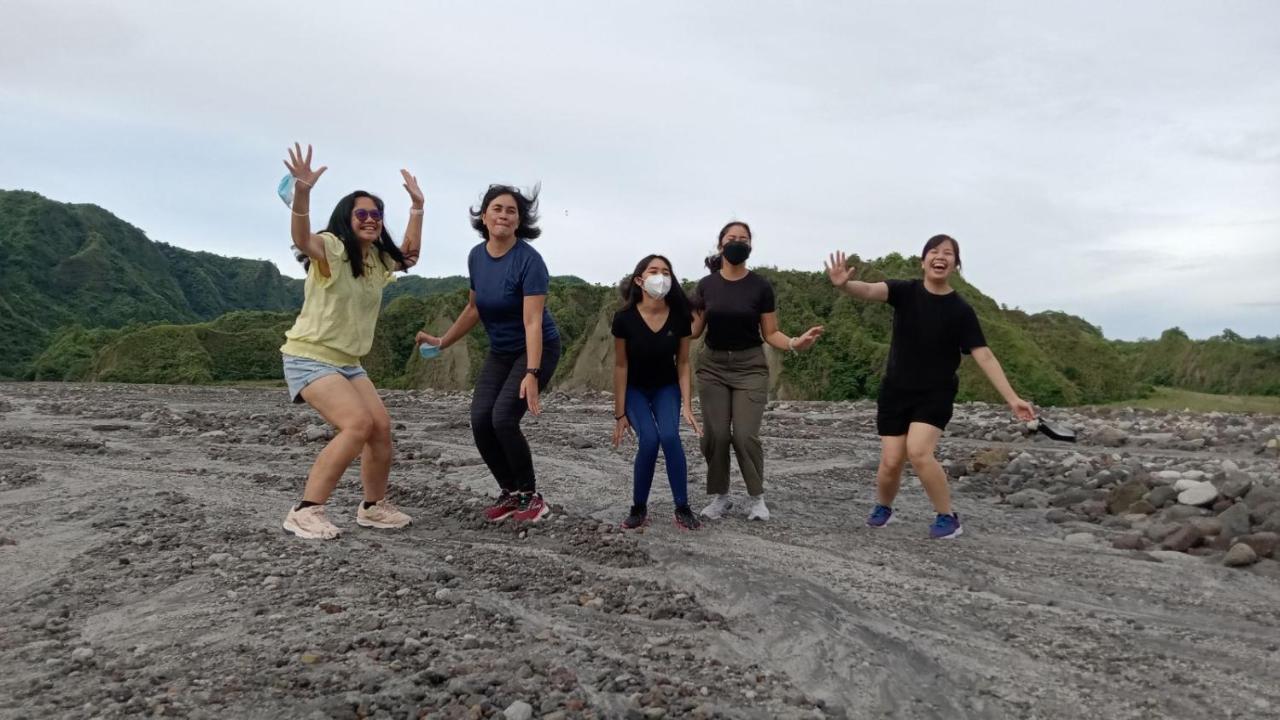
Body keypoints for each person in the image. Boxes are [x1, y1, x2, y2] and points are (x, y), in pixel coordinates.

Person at [824, 235, 1036, 539]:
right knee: (890, 461)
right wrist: (843, 284)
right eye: (934, 252)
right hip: (895, 390)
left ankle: (948, 516)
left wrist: (1012, 398)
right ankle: (884, 507)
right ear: (923, 261)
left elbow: (984, 355)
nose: (941, 257)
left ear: (955, 265)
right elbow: (869, 290)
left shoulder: (960, 310)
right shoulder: (905, 291)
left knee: (919, 452)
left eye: (948, 253)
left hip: (935, 393)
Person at [279, 143, 422, 540]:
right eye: (362, 214)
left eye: (376, 215)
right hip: (309, 357)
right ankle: (306, 510)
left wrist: (417, 209)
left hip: (348, 362)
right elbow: (302, 238)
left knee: (379, 426)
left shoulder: (376, 259)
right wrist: (302, 195)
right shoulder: (334, 248)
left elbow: (409, 255)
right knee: (356, 424)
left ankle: (373, 507)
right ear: (347, 218)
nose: (371, 220)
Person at [415, 185, 560, 523]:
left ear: (519, 220)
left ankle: (531, 497)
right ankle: (510, 493)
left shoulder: (530, 261)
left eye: (511, 211)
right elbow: (473, 308)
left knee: (503, 419)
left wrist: (533, 373)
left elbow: (533, 321)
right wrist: (442, 341)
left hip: (535, 347)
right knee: (481, 421)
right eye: (497, 208)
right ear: (484, 216)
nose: (504, 215)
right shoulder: (476, 256)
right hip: (501, 350)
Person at [691, 221, 824, 521]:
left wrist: (793, 343)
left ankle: (756, 498)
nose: (737, 242)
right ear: (720, 244)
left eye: (743, 239)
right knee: (716, 435)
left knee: (745, 435)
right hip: (712, 366)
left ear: (750, 246)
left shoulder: (760, 286)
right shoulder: (706, 286)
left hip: (750, 366)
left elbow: (771, 333)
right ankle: (721, 497)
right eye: (731, 238)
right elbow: (694, 330)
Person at [610, 254, 703, 530]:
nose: (660, 276)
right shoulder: (624, 319)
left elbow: (684, 363)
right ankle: (638, 508)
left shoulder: (680, 317)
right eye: (654, 271)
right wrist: (619, 414)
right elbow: (620, 366)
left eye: (666, 271)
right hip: (635, 390)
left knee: (670, 437)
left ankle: (682, 507)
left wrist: (687, 405)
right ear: (640, 279)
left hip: (666, 387)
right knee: (649, 440)